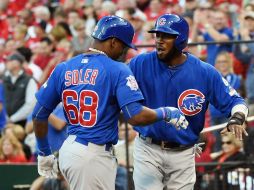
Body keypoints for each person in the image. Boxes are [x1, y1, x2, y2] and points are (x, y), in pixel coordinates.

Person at [32, 15, 189, 190]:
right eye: (123, 45)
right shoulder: (116, 69)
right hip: (92, 155)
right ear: (113, 42)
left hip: (71, 149)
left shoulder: (64, 67)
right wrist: (166, 113)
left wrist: (44, 152)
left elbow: (38, 114)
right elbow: (135, 116)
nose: (124, 51)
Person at [128, 13, 248, 190]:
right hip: (148, 148)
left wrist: (237, 117)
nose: (159, 40)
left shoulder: (204, 71)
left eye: (166, 36)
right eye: (157, 35)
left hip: (183, 153)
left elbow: (236, 101)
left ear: (181, 39)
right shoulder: (139, 63)